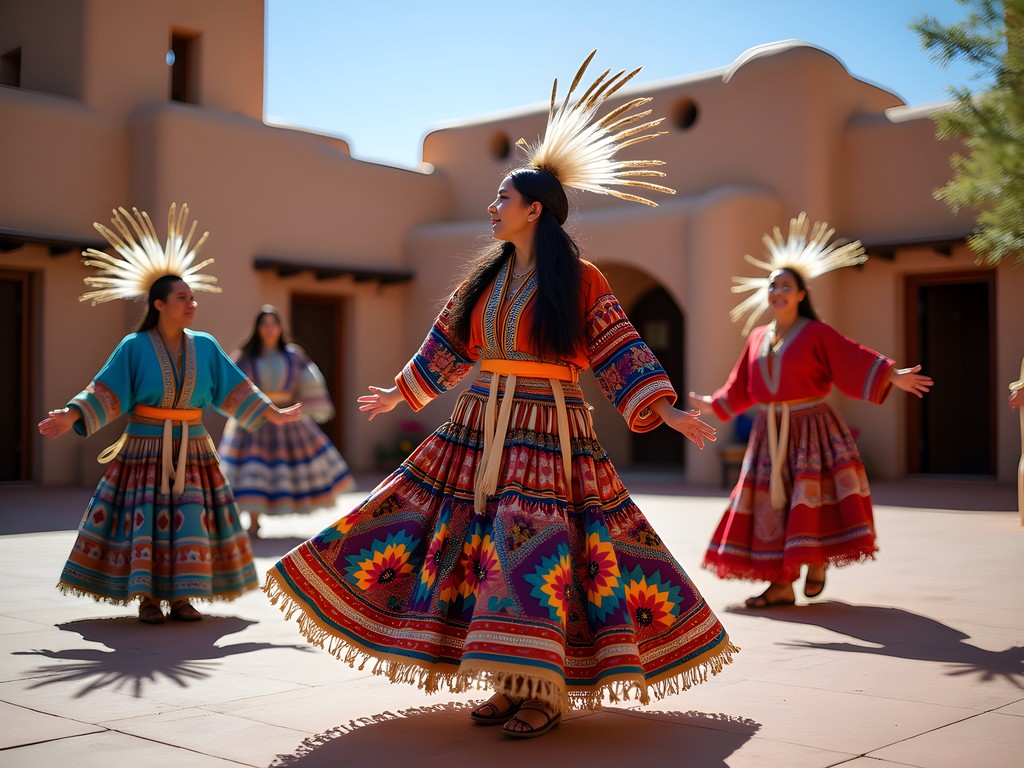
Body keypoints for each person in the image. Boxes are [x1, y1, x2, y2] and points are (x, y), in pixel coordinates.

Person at [264, 51, 736, 740]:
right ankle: (502, 680)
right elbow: (449, 344)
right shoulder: (484, 279)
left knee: (537, 543)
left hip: (550, 428)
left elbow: (617, 347)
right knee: (463, 536)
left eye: (503, 200)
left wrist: (664, 410)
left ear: (534, 209)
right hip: (480, 422)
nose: (492, 209)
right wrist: (404, 391)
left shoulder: (582, 279)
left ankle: (544, 692)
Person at [38, 204, 302, 624]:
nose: (191, 303)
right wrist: (72, 415)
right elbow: (106, 388)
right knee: (145, 519)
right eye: (182, 297)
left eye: (192, 297)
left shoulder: (207, 345)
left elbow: (235, 388)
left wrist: (273, 413)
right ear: (159, 304)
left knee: (190, 518)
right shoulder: (134, 346)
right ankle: (146, 598)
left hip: (194, 446)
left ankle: (182, 598)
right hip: (144, 444)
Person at [690, 213, 933, 608]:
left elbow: (850, 357)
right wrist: (713, 404)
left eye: (786, 286)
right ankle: (781, 585)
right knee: (769, 504)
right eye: (773, 285)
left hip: (811, 429)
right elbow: (741, 386)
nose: (778, 291)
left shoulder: (816, 333)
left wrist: (891, 374)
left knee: (809, 498)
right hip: (768, 433)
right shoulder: (757, 338)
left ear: (802, 294)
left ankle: (815, 559)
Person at [218, 305, 355, 537]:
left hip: (287, 416)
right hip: (255, 418)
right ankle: (253, 520)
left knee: (285, 470)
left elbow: (309, 380)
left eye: (274, 324)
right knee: (254, 468)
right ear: (258, 328)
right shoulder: (246, 356)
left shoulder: (293, 355)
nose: (270, 329)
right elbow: (230, 381)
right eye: (265, 324)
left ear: (280, 327)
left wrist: (305, 407)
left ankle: (264, 517)